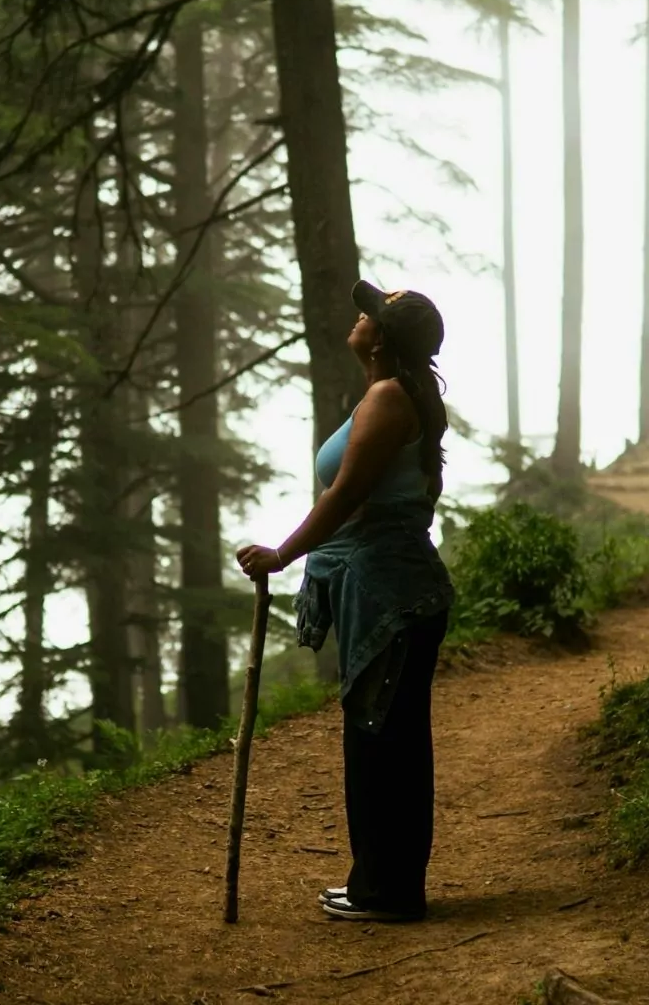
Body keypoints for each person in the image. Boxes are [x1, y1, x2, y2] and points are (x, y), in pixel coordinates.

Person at [237, 280, 455, 923]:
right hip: (393, 590)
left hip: (392, 596)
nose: (360, 316)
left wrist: (282, 553)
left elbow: (346, 497)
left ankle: (388, 893)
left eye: (372, 313)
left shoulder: (390, 398)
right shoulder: (389, 393)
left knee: (383, 742)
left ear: (383, 339)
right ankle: (379, 884)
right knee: (382, 738)